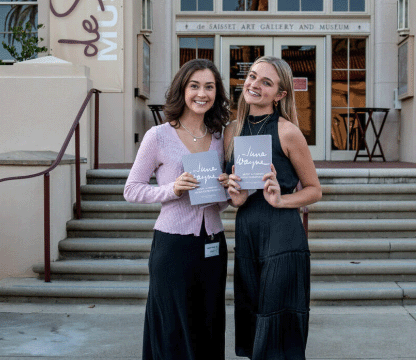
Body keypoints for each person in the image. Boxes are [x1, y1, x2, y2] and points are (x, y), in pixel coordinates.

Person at [124, 59, 231, 360]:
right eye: (194, 86)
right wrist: (172, 189)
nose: (202, 93)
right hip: (173, 245)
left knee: (209, 324)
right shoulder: (158, 136)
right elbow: (131, 189)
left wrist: (226, 188)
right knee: (172, 326)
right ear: (182, 90)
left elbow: (220, 203)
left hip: (213, 244)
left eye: (209, 86)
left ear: (216, 93)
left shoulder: (222, 138)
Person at [225, 56, 322, 360]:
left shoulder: (288, 132)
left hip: (282, 234)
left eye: (266, 82)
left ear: (280, 95)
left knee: (277, 320)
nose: (254, 85)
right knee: (254, 314)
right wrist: (234, 197)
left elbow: (314, 190)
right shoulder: (231, 131)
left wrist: (282, 200)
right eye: (253, 77)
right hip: (247, 232)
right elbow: (232, 193)